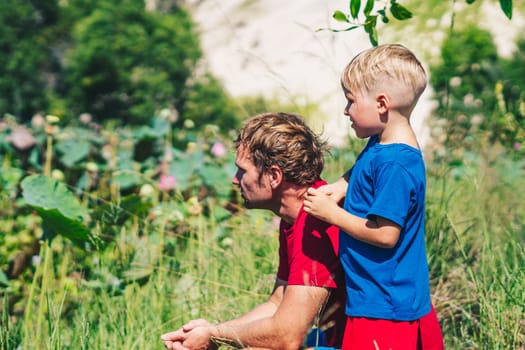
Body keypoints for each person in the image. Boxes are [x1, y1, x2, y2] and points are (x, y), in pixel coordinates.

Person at [161, 112, 346, 350]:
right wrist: (210, 332)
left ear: (273, 176)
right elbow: (277, 303)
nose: (235, 181)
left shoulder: (317, 222)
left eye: (242, 171)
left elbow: (288, 335)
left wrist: (216, 336)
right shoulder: (294, 217)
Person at [303, 44, 444, 349]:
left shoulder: (396, 165)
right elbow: (363, 168)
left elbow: (386, 234)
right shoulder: (382, 142)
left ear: (382, 103)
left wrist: (332, 214)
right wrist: (342, 185)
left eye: (350, 101)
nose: (345, 111)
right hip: (374, 295)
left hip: (386, 307)